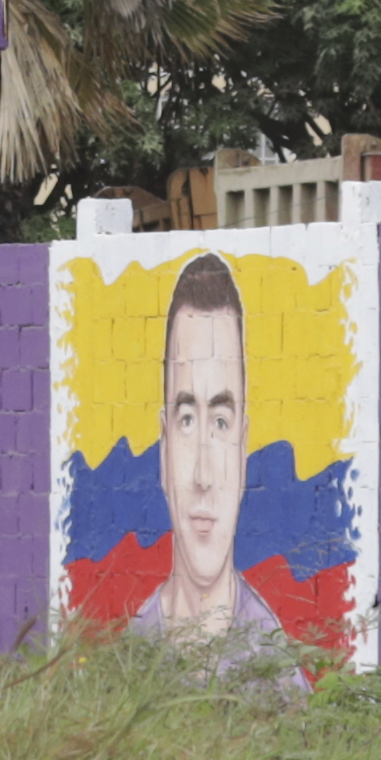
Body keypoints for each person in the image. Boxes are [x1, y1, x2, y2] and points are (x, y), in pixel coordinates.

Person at [134, 254, 250, 638]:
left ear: (244, 450)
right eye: (186, 420)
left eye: (220, 423)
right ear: (164, 447)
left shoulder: (280, 680)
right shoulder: (127, 663)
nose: (202, 476)